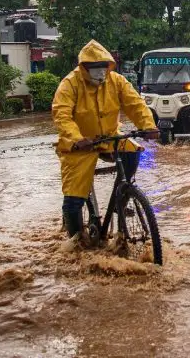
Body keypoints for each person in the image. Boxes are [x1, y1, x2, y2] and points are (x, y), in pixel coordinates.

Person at [52, 40, 159, 248]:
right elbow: (61, 115)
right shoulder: (70, 84)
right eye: (94, 68)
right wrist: (77, 139)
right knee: (74, 198)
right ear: (84, 68)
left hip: (109, 137)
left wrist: (148, 126)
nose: (100, 72)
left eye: (103, 67)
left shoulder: (116, 81)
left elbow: (135, 104)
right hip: (79, 145)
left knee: (132, 151)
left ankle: (123, 197)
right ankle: (76, 243)